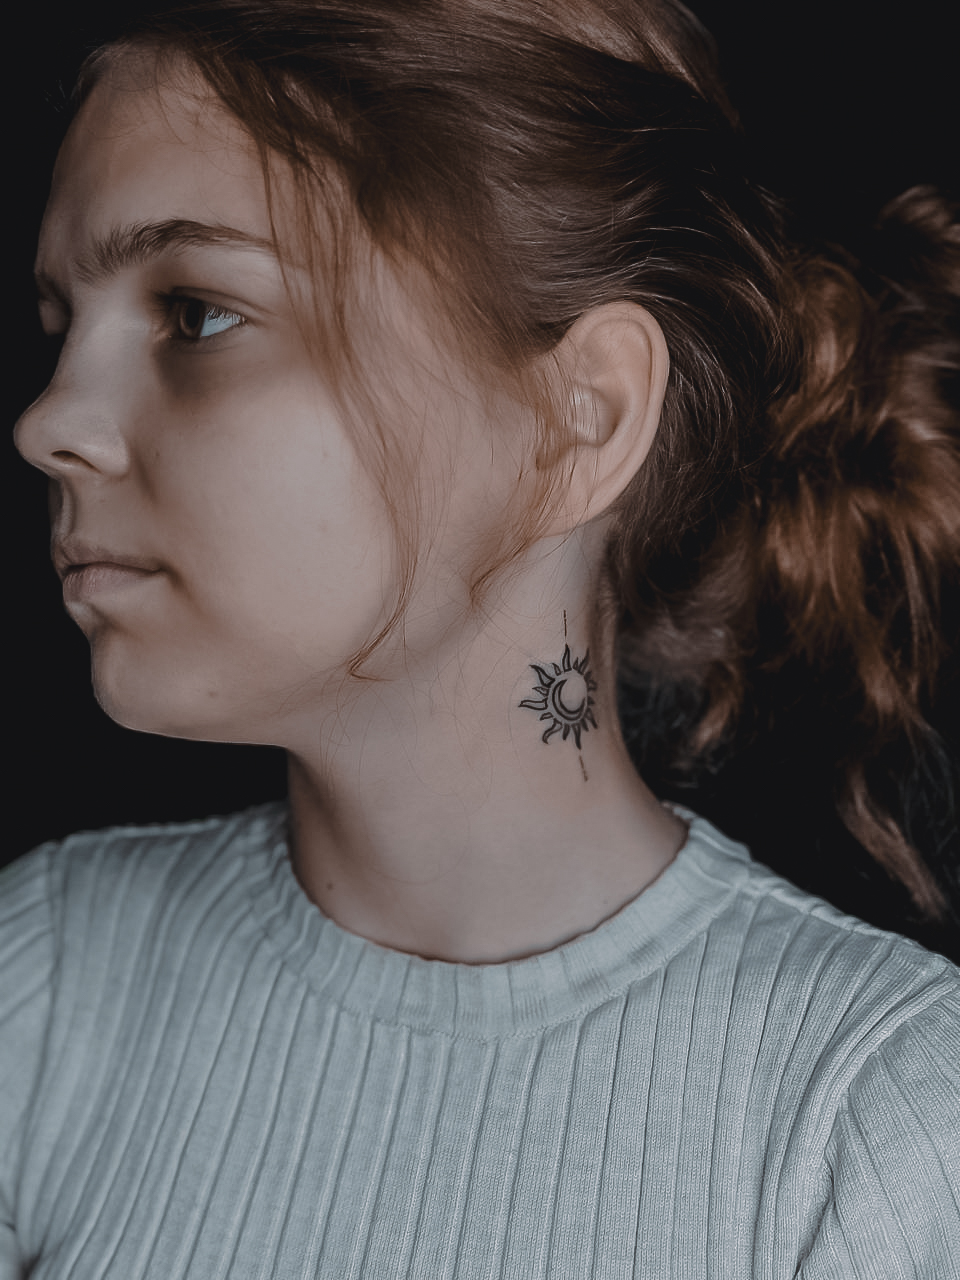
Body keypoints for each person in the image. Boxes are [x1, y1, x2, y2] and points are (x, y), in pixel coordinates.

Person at [2, 0, 958, 1274]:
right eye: (60, 325)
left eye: (196, 313)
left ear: (578, 418)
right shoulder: (46, 978)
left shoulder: (870, 1122)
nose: (49, 423)